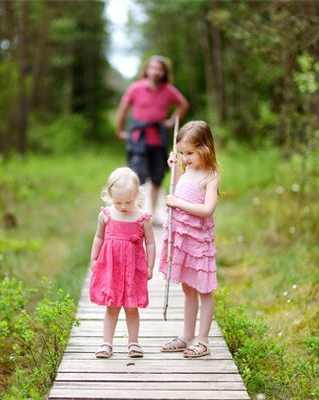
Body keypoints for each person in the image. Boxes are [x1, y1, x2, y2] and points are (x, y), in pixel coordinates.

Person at [158, 121, 220, 358]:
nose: (185, 157)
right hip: (182, 239)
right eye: (182, 153)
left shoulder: (210, 176)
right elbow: (177, 188)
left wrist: (177, 203)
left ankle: (202, 341)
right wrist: (173, 167)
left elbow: (207, 210)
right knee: (187, 288)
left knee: (204, 290)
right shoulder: (187, 170)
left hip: (198, 242)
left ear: (205, 148)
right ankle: (187, 335)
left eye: (190, 153)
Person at [89, 167, 156, 359]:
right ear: (110, 195)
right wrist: (94, 258)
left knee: (131, 306)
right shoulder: (106, 215)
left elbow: (150, 243)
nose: (123, 206)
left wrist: (150, 266)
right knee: (112, 306)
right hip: (112, 267)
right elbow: (98, 238)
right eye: (118, 202)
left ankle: (133, 343)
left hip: (133, 268)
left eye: (128, 201)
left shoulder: (143, 218)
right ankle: (106, 343)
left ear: (137, 194)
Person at [115, 55, 189, 221]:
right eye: (153, 68)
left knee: (157, 178)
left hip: (158, 140)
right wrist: (119, 130)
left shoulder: (168, 90)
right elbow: (123, 109)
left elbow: (183, 104)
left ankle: (153, 215)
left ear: (164, 72)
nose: (156, 72)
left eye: (160, 69)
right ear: (147, 70)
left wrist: (170, 121)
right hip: (138, 140)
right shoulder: (136, 88)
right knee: (136, 178)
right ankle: (136, 214)